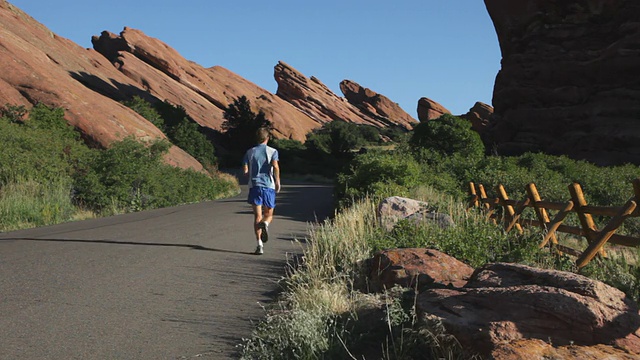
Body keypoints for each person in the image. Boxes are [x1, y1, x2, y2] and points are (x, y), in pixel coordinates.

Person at [242, 127, 281, 255]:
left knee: (257, 216)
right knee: (268, 215)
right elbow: (275, 166)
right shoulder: (273, 151)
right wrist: (277, 181)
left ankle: (259, 245)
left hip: (255, 186)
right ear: (267, 138)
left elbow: (245, 169)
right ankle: (265, 224)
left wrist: (249, 175)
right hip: (268, 186)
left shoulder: (250, 152)